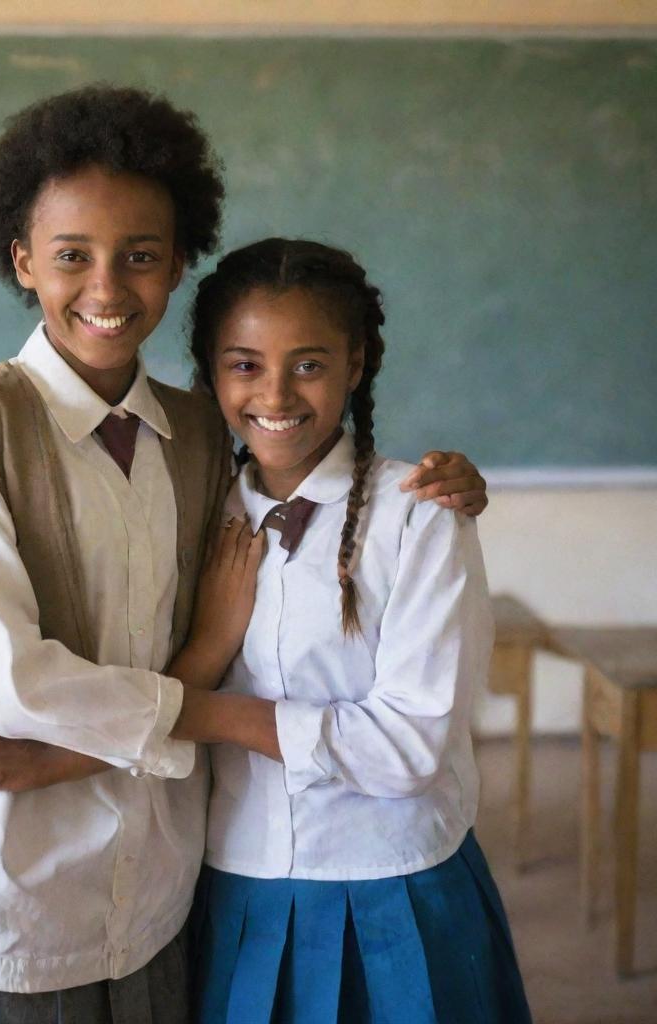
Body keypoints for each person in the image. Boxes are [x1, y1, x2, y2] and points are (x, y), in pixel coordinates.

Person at [0, 85, 491, 1024]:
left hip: (164, 886)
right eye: (72, 256)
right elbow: (5, 683)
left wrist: (455, 485)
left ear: (177, 267)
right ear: (22, 261)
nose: (108, 289)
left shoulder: (204, 437)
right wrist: (198, 671)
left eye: (142, 257)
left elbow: (314, 488)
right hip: (11, 886)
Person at [175, 238, 531, 1024]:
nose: (276, 392)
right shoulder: (191, 510)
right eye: (243, 364)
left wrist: (194, 710)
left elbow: (407, 747)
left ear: (356, 363)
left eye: (309, 364)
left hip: (393, 887)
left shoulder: (419, 516)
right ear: (208, 369)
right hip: (232, 881)